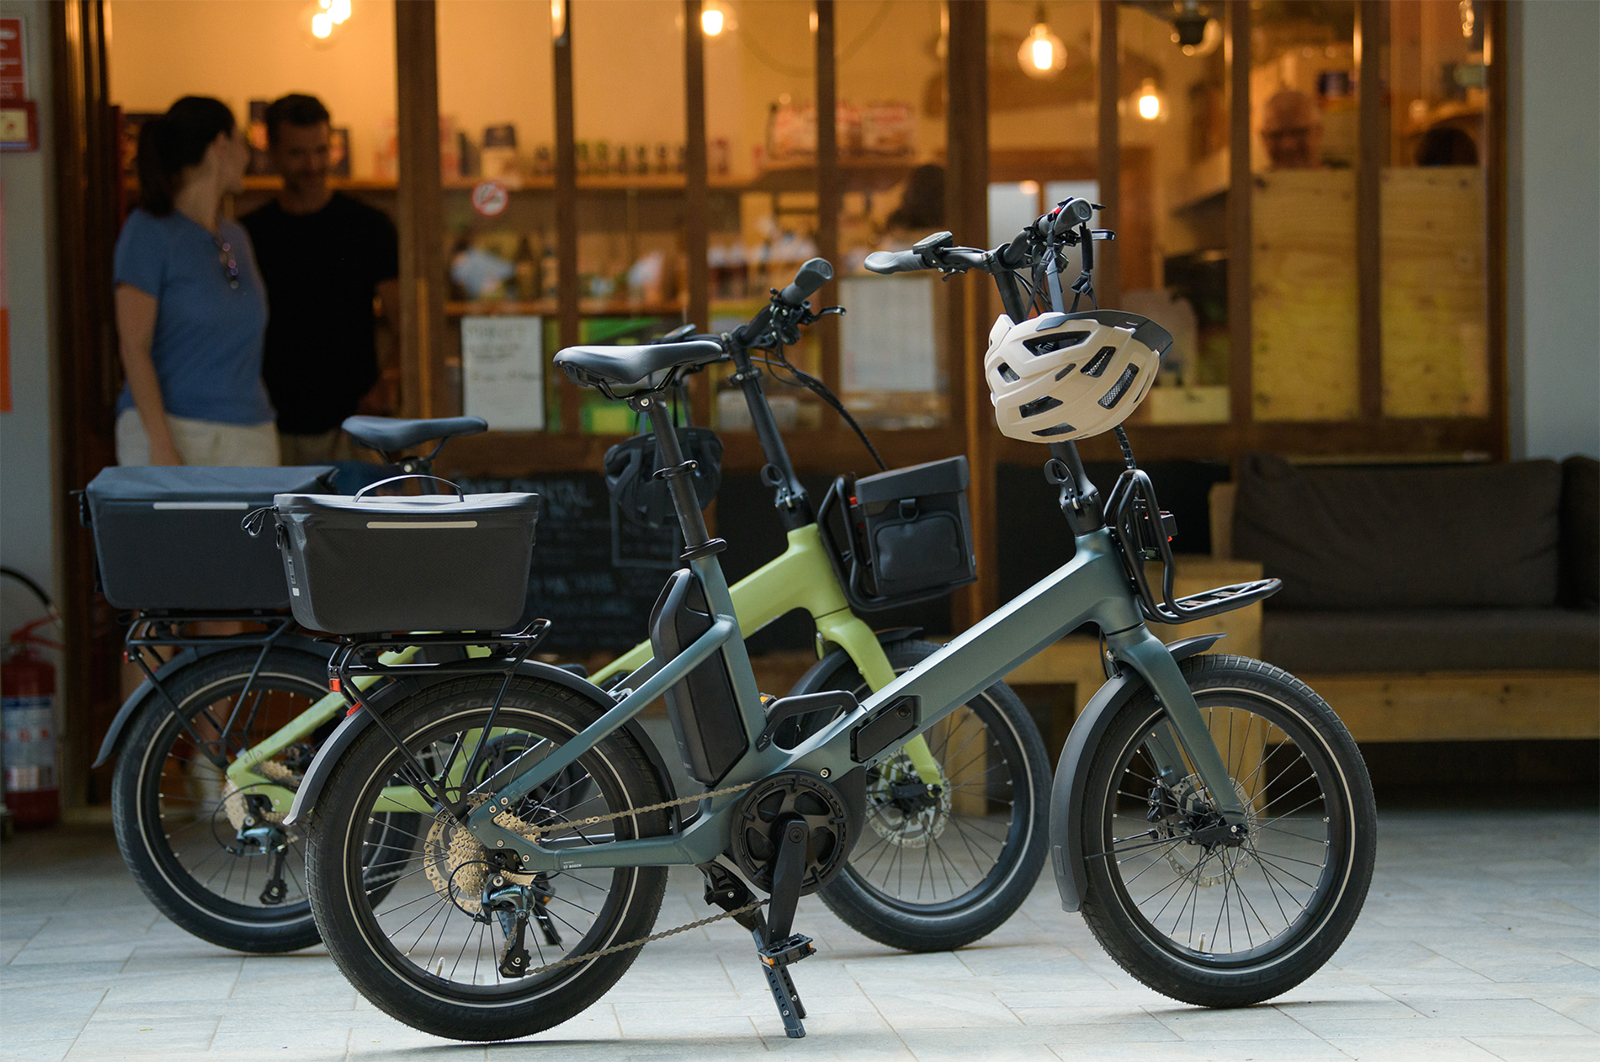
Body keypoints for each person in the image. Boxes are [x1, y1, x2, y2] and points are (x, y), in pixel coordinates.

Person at [114, 96, 277, 467]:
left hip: (249, 431)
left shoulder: (237, 237)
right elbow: (134, 345)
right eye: (242, 142)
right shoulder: (148, 232)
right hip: (173, 430)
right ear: (221, 144)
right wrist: (161, 445)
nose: (247, 157)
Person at [241, 94, 400, 465]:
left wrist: (386, 384)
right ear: (272, 153)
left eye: (321, 150)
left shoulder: (368, 227)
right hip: (270, 423)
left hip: (353, 422)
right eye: (297, 153)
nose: (312, 165)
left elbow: (406, 320)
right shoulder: (250, 234)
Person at [1260, 89, 1325, 170]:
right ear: (1263, 137)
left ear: (1318, 132)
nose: (1288, 145)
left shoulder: (1337, 177)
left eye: (1298, 133)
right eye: (1277, 135)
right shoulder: (1250, 178)